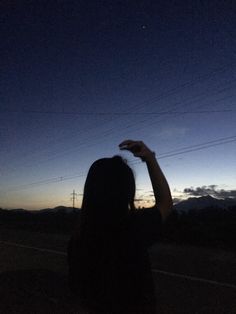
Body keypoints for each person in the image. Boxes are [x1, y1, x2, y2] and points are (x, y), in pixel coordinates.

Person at [67, 140, 173, 313]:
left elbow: (78, 295)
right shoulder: (134, 228)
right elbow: (166, 203)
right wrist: (149, 158)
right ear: (128, 191)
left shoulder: (79, 239)